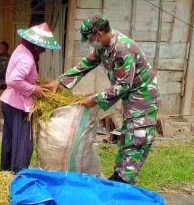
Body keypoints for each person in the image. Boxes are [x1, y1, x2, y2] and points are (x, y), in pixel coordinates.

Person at [45, 14, 160, 184]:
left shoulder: (123, 49)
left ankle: (125, 181)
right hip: (131, 97)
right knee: (125, 137)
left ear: (98, 34)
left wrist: (96, 99)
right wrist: (60, 81)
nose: (90, 42)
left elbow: (123, 86)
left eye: (90, 38)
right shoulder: (104, 46)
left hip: (143, 97)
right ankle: (119, 176)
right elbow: (86, 64)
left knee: (137, 137)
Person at [0, 23, 61, 173]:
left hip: (9, 101)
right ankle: (18, 174)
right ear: (35, 45)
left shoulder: (21, 49)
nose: (44, 50)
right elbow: (13, 80)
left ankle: (5, 173)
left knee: (11, 140)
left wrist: (36, 84)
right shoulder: (28, 58)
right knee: (23, 144)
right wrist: (34, 89)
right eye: (42, 47)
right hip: (18, 104)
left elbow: (20, 77)